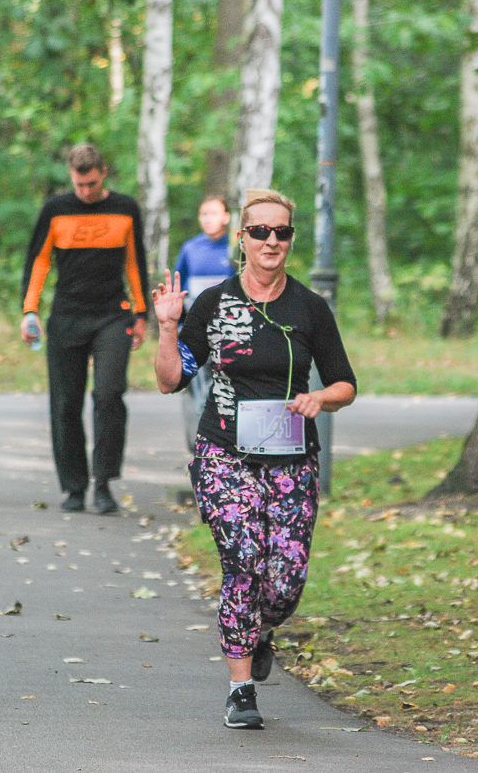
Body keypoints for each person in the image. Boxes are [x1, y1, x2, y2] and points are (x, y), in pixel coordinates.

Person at [152, 188, 357, 731]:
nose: (271, 241)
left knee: (284, 582)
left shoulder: (310, 308)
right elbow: (172, 379)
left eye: (281, 232)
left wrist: (321, 398)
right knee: (243, 559)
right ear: (241, 239)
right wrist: (169, 326)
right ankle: (240, 689)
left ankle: (263, 628)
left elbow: (346, 383)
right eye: (260, 231)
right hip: (225, 454)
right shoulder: (215, 304)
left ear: (290, 240)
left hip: (291, 460)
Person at [20, 144, 148, 515]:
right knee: (65, 404)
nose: (86, 192)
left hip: (112, 314)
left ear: (103, 173)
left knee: (108, 395)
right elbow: (39, 261)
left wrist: (142, 314)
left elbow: (135, 262)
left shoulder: (125, 209)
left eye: (91, 184)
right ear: (70, 177)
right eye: (79, 185)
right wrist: (29, 311)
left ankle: (104, 482)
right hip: (67, 316)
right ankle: (74, 487)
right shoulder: (56, 210)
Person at [172, 194, 236, 450]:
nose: (207, 219)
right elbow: (179, 287)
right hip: (195, 331)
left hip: (227, 332)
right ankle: (198, 443)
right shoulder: (190, 249)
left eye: (213, 213)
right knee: (194, 387)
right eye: (203, 214)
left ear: (227, 217)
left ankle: (225, 441)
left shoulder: (234, 250)